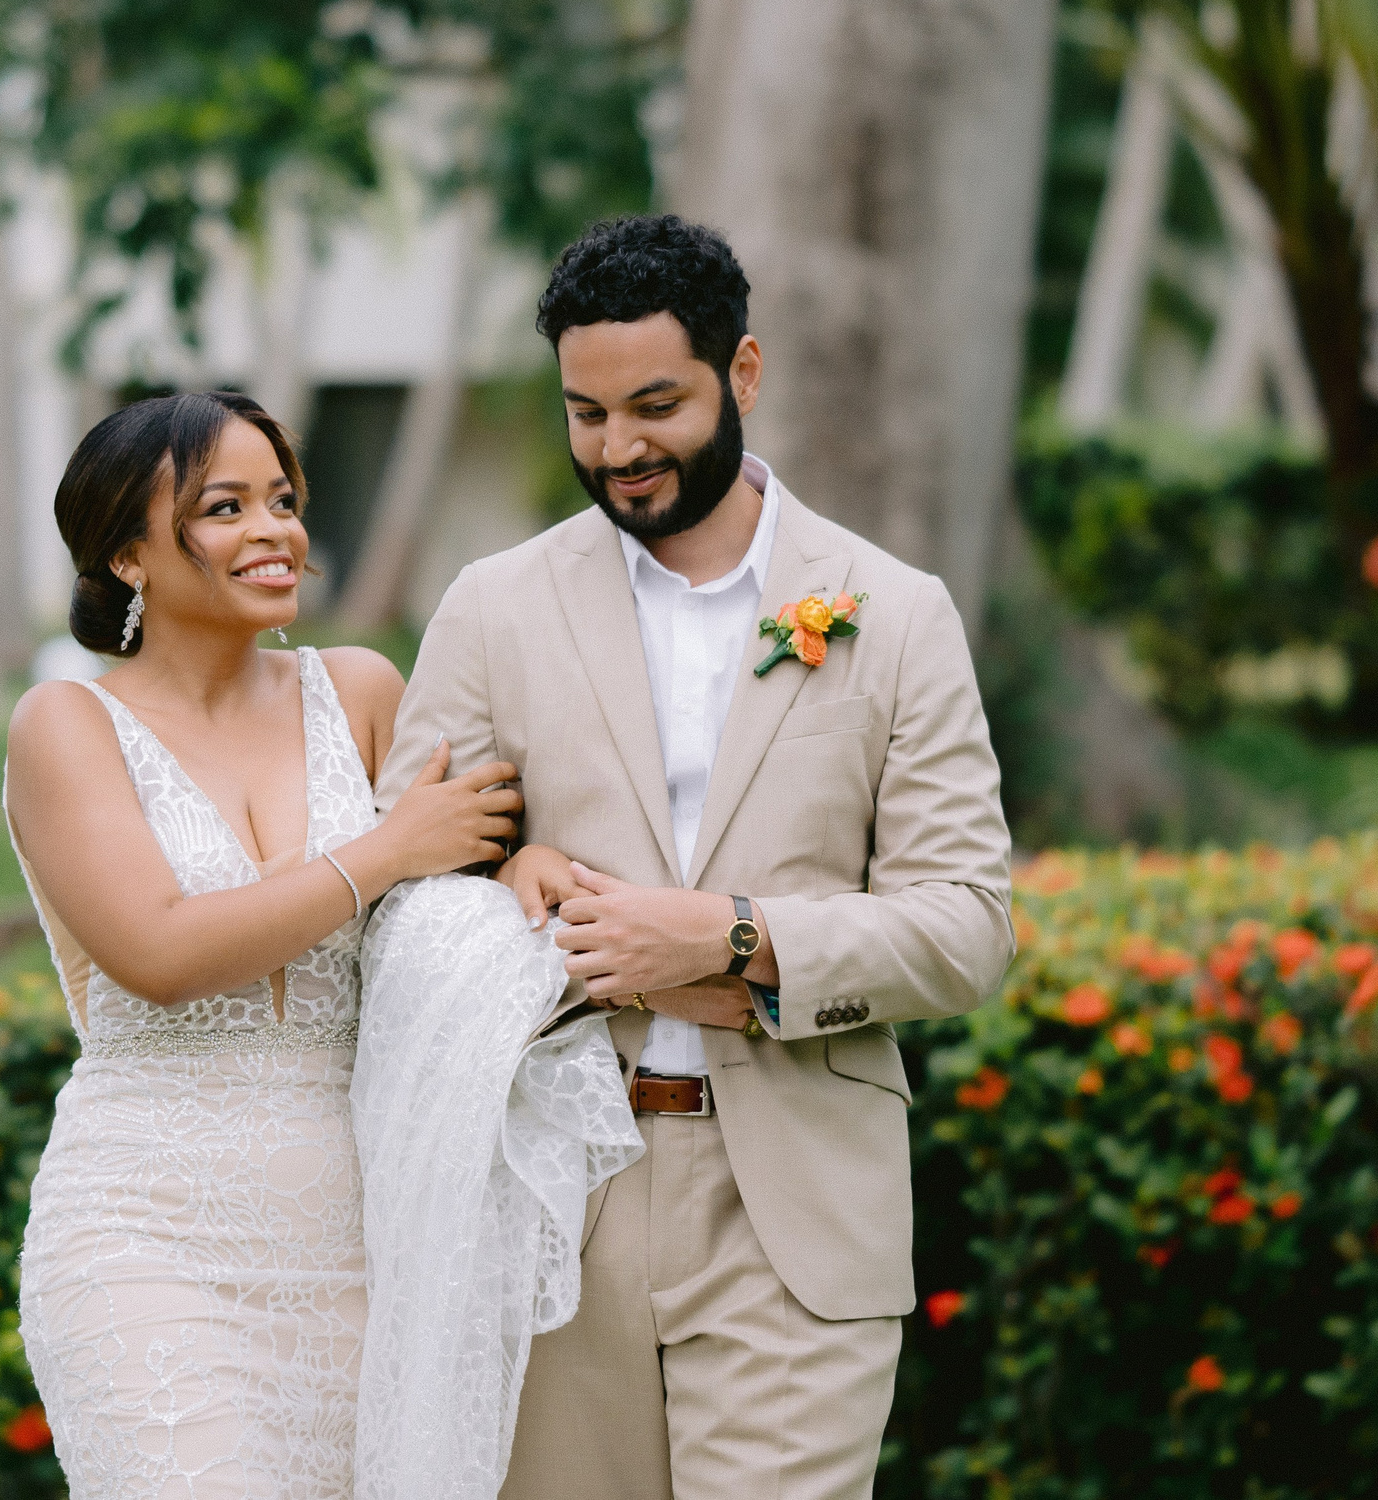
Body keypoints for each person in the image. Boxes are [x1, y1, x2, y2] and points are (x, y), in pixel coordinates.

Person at [378, 214, 1017, 1500]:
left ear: (744, 372)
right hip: (553, 1194)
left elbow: (967, 923)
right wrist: (502, 889)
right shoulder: (490, 608)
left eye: (654, 404)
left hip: (795, 1205)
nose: (618, 449)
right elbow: (397, 901)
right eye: (586, 412)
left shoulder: (892, 611)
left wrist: (735, 936)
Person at [4, 390, 523, 1500]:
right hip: (143, 1235)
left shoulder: (363, 690)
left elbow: (457, 886)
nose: (275, 529)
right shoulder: (66, 724)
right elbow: (160, 949)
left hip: (360, 1248)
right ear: (128, 555)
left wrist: (519, 868)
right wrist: (380, 853)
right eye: (224, 505)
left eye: (282, 500)